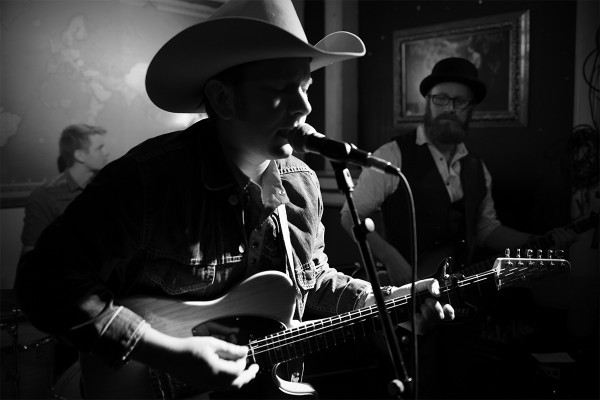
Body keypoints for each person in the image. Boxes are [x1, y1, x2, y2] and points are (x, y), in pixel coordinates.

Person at [14, 1, 454, 398]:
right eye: (280, 89)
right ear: (223, 98)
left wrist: (386, 299)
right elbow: (44, 282)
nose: (304, 108)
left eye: (306, 86)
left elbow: (312, 279)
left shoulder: (302, 183)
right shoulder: (148, 180)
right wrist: (167, 353)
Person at [340, 57, 577, 287]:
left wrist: (536, 241)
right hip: (407, 292)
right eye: (441, 99)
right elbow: (350, 216)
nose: (450, 109)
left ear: (471, 109)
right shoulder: (392, 155)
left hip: (459, 289)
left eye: (461, 101)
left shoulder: (477, 168)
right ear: (428, 102)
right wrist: (391, 258)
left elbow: (486, 230)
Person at [20, 123, 109, 255]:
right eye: (99, 148)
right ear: (79, 155)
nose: (107, 153)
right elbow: (32, 255)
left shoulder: (104, 189)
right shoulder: (44, 197)